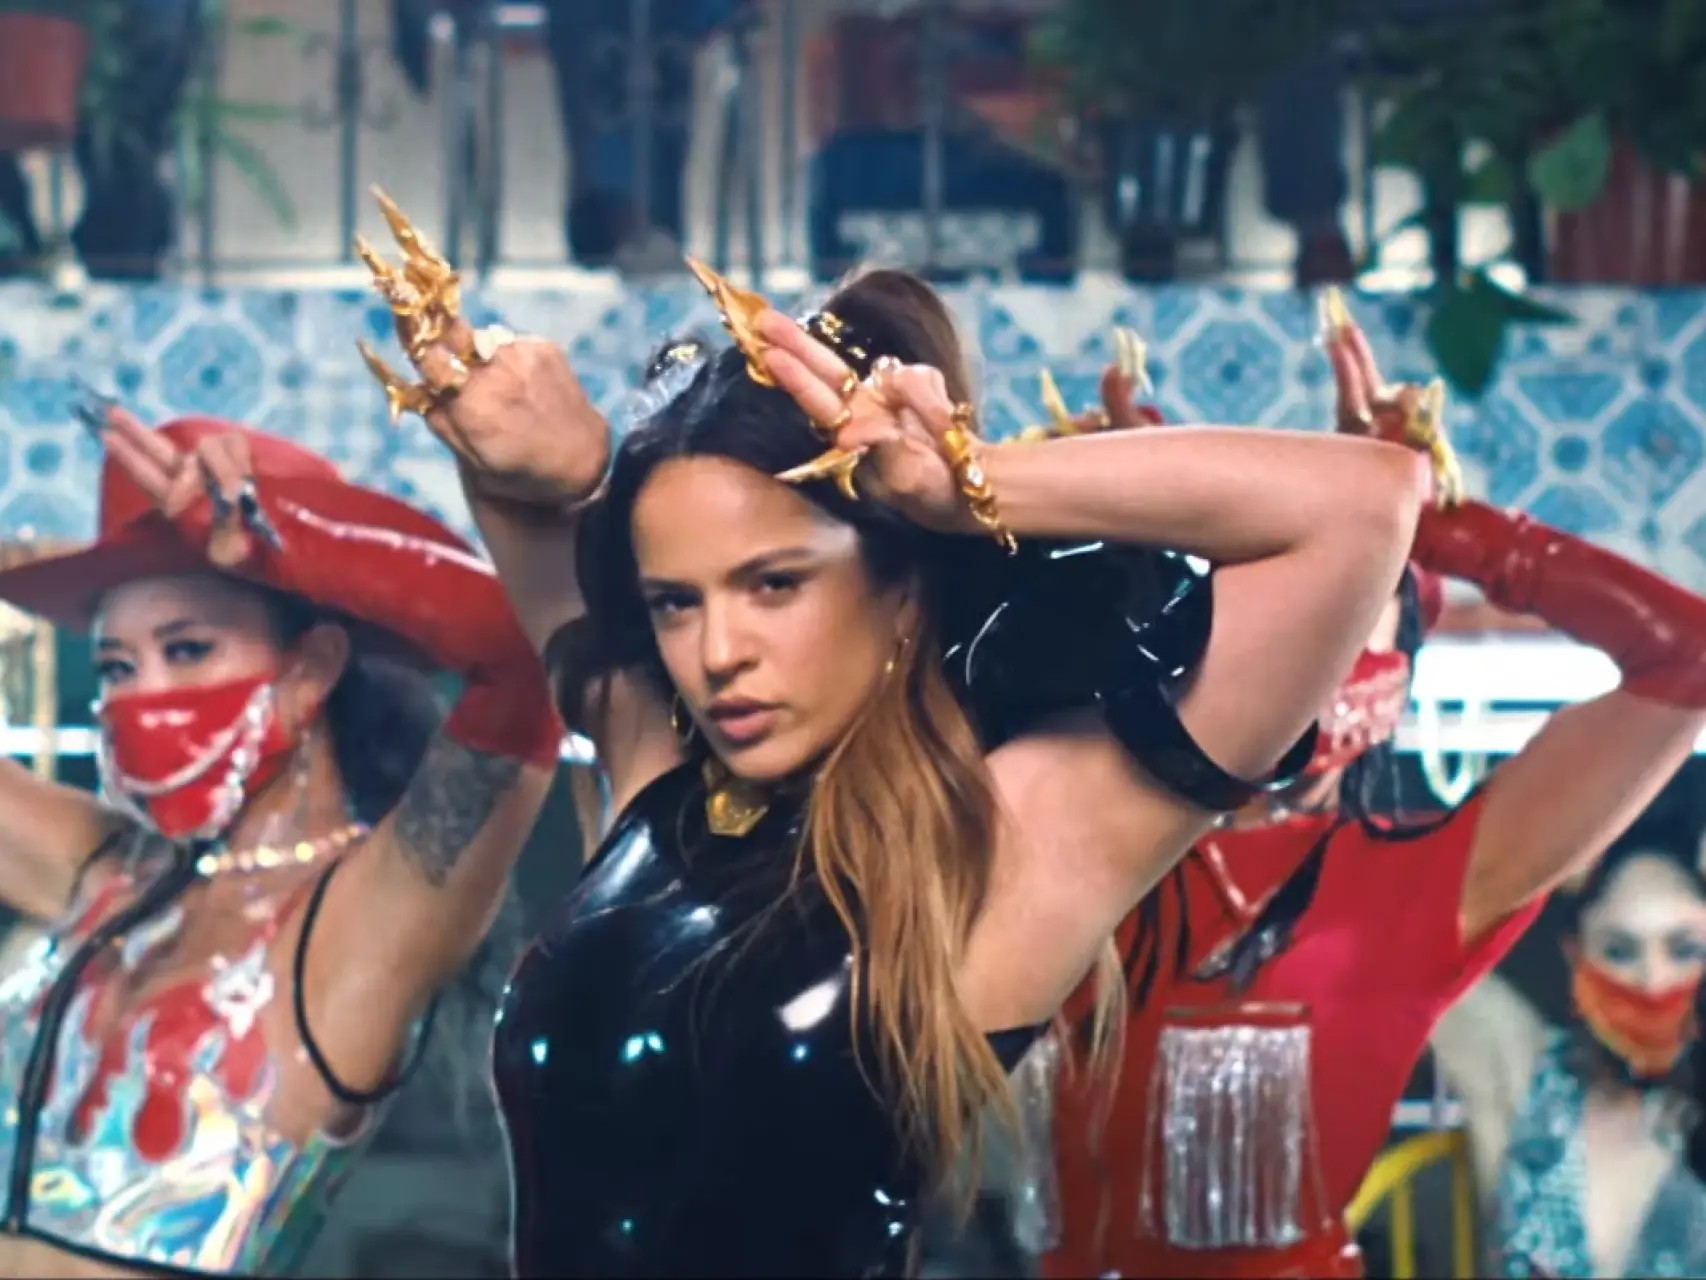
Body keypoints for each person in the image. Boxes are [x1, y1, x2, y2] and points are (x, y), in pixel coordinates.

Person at [352, 193, 1426, 1275]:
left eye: (774, 584)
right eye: (677, 601)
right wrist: (551, 451)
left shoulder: (1001, 844)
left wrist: (967, 484)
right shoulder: (658, 781)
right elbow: (534, 517)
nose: (717, 650)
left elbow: (1364, 504)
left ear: (902, 588)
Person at [1035, 293, 1706, 1279]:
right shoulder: (1073, 827)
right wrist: (1114, 515)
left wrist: (1429, 523)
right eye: (1265, 594)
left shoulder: (1426, 881)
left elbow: (1683, 656)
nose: (1306, 643)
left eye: (1348, 603)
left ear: (1401, 660)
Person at [0, 392, 559, 1275]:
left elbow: (523, 669)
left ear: (312, 670)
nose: (143, 696)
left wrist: (289, 537)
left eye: (188, 649)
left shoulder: (370, 915)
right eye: (116, 665)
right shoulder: (105, 867)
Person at [1433, 831, 1706, 1277]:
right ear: (1575, 954)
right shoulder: (1525, 1073)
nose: (1653, 982)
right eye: (1619, 952)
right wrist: (1548, 849)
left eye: (1685, 950)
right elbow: (1410, 940)